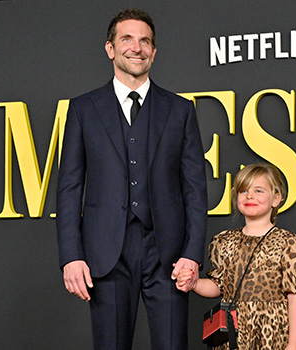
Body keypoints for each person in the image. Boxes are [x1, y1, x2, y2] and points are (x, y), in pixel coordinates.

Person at [56, 7, 207, 350]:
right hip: (105, 254)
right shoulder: (83, 109)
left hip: (168, 255)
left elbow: (195, 189)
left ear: (154, 52)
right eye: (127, 39)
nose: (136, 47)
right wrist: (71, 255)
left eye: (145, 41)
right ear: (110, 48)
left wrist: (192, 254)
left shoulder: (180, 110)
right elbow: (68, 188)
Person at [176, 163, 296, 350]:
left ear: (276, 198)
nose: (250, 196)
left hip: (272, 337)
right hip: (232, 336)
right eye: (243, 191)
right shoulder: (223, 241)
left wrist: (294, 344)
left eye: (259, 191)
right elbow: (218, 285)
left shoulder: (290, 244)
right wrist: (194, 283)